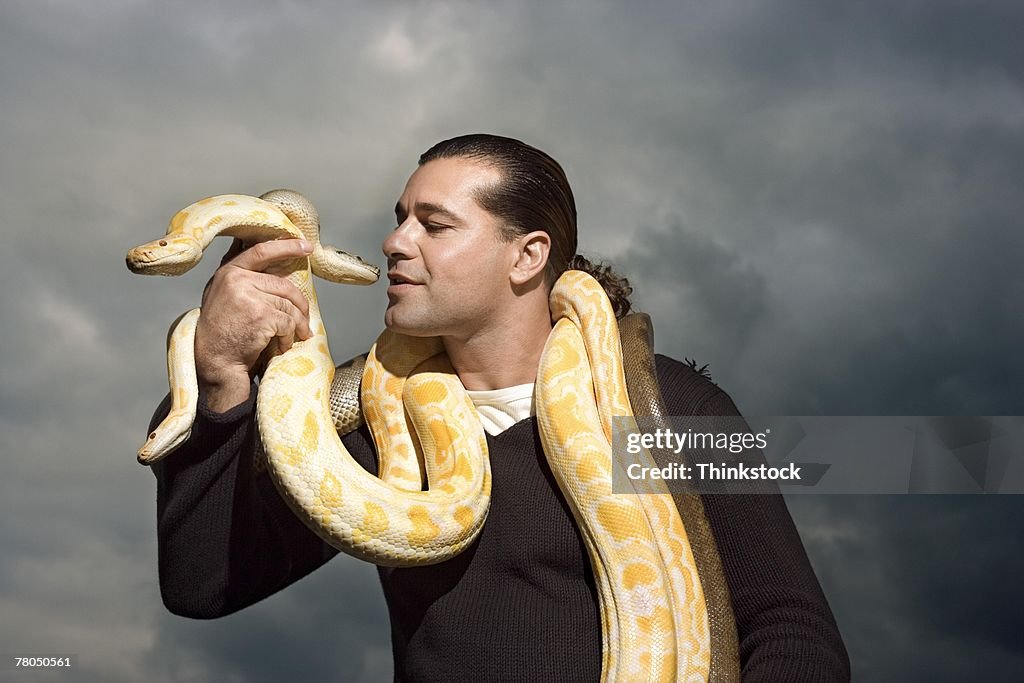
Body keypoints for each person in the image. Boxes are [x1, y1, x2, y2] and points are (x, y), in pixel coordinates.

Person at [148, 134, 850, 681]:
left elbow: (790, 627)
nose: (395, 242)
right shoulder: (373, 418)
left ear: (527, 256)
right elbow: (203, 584)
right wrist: (221, 377)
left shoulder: (668, 404)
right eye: (399, 220)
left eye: (435, 224)